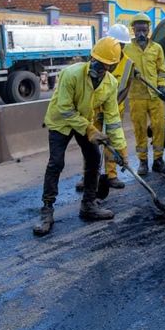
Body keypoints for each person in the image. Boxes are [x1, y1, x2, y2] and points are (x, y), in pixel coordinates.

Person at [33, 37, 129, 236]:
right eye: (96, 62)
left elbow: (112, 118)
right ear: (91, 57)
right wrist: (90, 129)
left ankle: (88, 205)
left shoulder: (111, 84)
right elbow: (65, 109)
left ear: (112, 66)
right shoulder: (71, 74)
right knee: (56, 163)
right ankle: (47, 210)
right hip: (60, 121)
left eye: (105, 66)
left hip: (84, 122)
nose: (99, 68)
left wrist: (120, 150)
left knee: (94, 158)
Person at [75, 24, 134, 192]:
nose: (119, 47)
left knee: (113, 140)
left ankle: (112, 175)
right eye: (116, 43)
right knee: (91, 143)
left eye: (121, 44)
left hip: (115, 107)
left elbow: (126, 87)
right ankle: (88, 175)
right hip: (94, 108)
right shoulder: (100, 56)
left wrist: (112, 102)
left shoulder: (129, 63)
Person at [123, 13, 165, 176]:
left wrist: (162, 87)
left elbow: (161, 71)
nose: (141, 34)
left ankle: (158, 160)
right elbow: (121, 71)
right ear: (133, 30)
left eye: (144, 30)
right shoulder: (126, 49)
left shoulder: (157, 48)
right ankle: (143, 161)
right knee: (140, 129)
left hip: (155, 95)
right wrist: (129, 71)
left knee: (159, 128)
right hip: (137, 96)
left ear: (149, 29)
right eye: (138, 30)